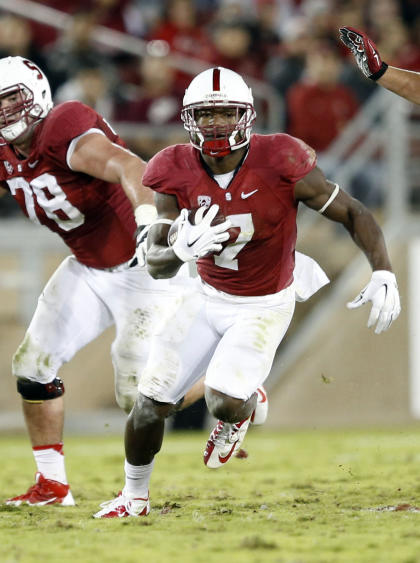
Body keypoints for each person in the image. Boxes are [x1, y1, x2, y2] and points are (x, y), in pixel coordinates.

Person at [94, 66, 401, 518]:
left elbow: (353, 212)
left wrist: (383, 271)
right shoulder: (172, 167)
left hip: (264, 303)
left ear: (247, 117)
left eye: (225, 113)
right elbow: (157, 265)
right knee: (148, 405)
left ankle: (247, 402)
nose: (215, 123)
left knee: (221, 400)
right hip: (207, 295)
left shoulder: (280, 160)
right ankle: (133, 498)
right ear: (189, 119)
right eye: (205, 115)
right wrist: (179, 247)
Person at [0, 55, 214, 507]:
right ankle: (52, 485)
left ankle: (232, 386)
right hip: (88, 266)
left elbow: (129, 166)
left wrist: (146, 221)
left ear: (37, 91)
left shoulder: (63, 127)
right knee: (32, 366)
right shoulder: (4, 154)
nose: (5, 114)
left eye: (11, 100)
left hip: (144, 266)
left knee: (138, 395)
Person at [339, 26, 420, 105]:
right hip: (368, 93)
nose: (394, 38)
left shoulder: (407, 57)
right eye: (389, 34)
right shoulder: (373, 53)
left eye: (397, 34)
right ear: (382, 36)